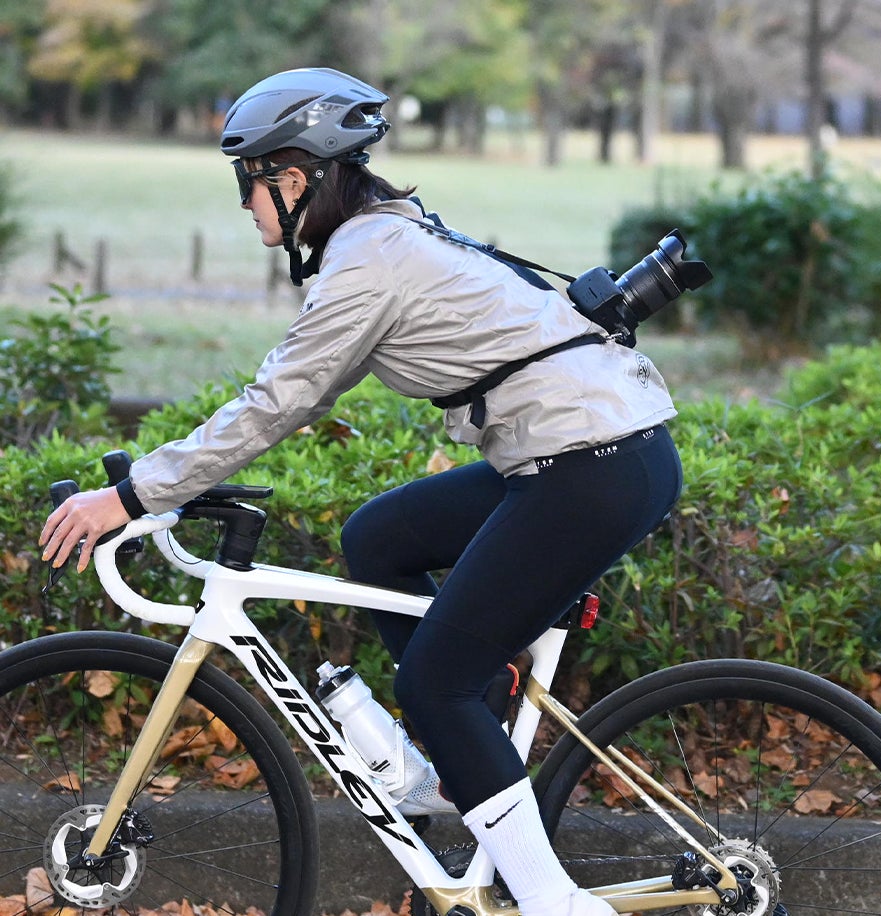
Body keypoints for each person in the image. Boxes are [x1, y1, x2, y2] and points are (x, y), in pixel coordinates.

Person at [40, 68, 683, 916]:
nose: (245, 205)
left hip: (592, 468)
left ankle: (549, 899)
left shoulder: (367, 260)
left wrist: (131, 496)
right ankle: (463, 759)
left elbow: (279, 402)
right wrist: (156, 486)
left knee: (436, 686)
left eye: (249, 183)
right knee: (380, 538)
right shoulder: (385, 233)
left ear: (294, 179)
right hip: (595, 456)